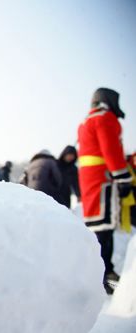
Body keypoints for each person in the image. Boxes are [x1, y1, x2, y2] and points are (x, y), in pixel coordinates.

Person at [77, 87, 133, 295]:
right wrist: (123, 177)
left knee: (97, 227)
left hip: (89, 179)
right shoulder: (105, 118)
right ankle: (105, 275)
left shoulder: (85, 121)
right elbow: (111, 149)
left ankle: (99, 272)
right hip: (103, 180)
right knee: (104, 229)